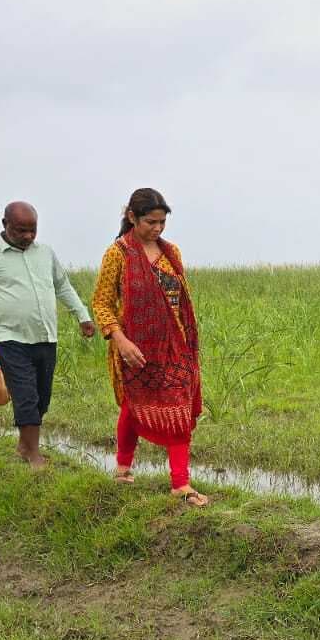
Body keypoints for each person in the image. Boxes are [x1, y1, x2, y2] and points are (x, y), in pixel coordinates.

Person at [0, 202, 95, 467]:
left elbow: (63, 286)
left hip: (45, 336)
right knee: (25, 394)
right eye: (21, 230)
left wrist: (83, 316)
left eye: (33, 230)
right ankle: (33, 453)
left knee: (42, 397)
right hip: (9, 337)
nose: (28, 236)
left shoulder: (45, 253)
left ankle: (23, 445)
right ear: (5, 225)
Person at [91, 188, 208, 505]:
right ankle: (123, 467)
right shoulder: (118, 254)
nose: (156, 228)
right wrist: (120, 339)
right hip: (135, 350)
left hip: (176, 348)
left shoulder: (172, 253)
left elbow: (180, 303)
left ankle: (180, 483)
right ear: (132, 217)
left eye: (162, 222)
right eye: (150, 222)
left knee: (179, 412)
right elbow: (102, 304)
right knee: (134, 405)